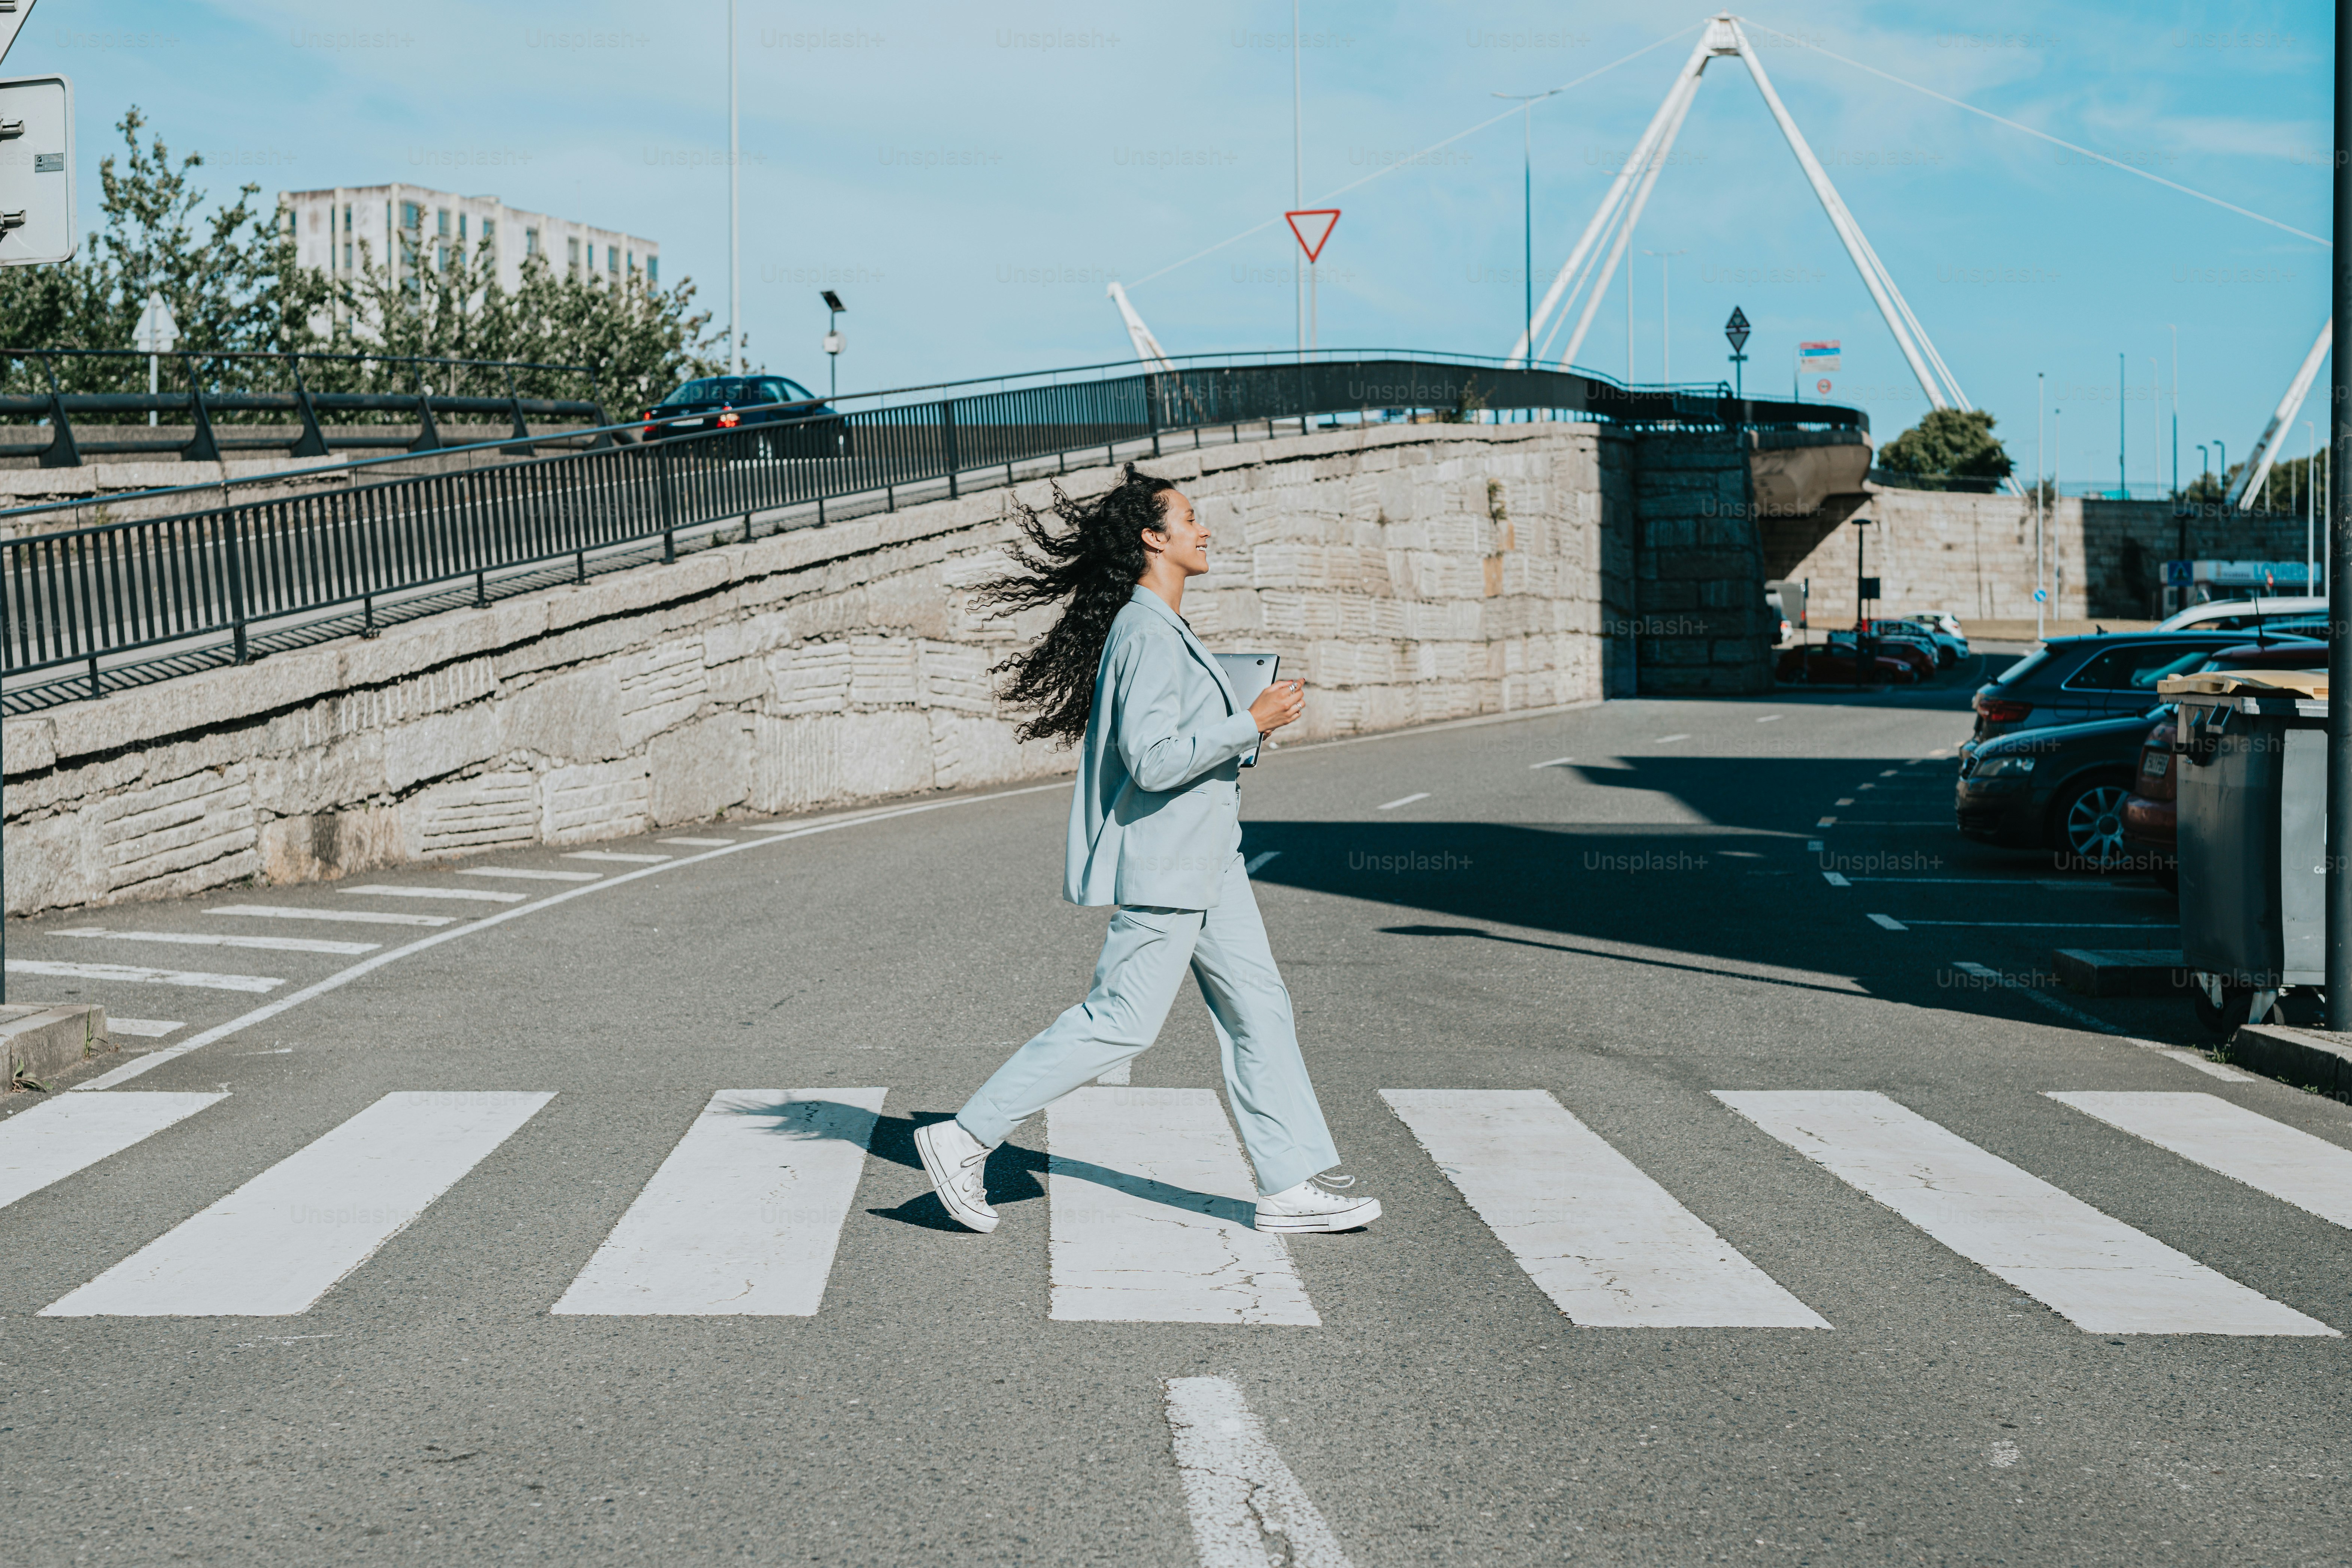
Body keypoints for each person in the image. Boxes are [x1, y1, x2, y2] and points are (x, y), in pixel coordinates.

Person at [915, 465, 1380, 1236]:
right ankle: (965, 1137)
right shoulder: (1145, 630)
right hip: (1172, 861)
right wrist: (1249, 721)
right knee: (1122, 1021)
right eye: (1190, 518)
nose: (1205, 530)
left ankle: (1290, 1183)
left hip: (1209, 859)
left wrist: (1245, 724)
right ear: (1153, 538)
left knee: (1260, 1008)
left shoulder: (1165, 629)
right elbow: (1154, 759)